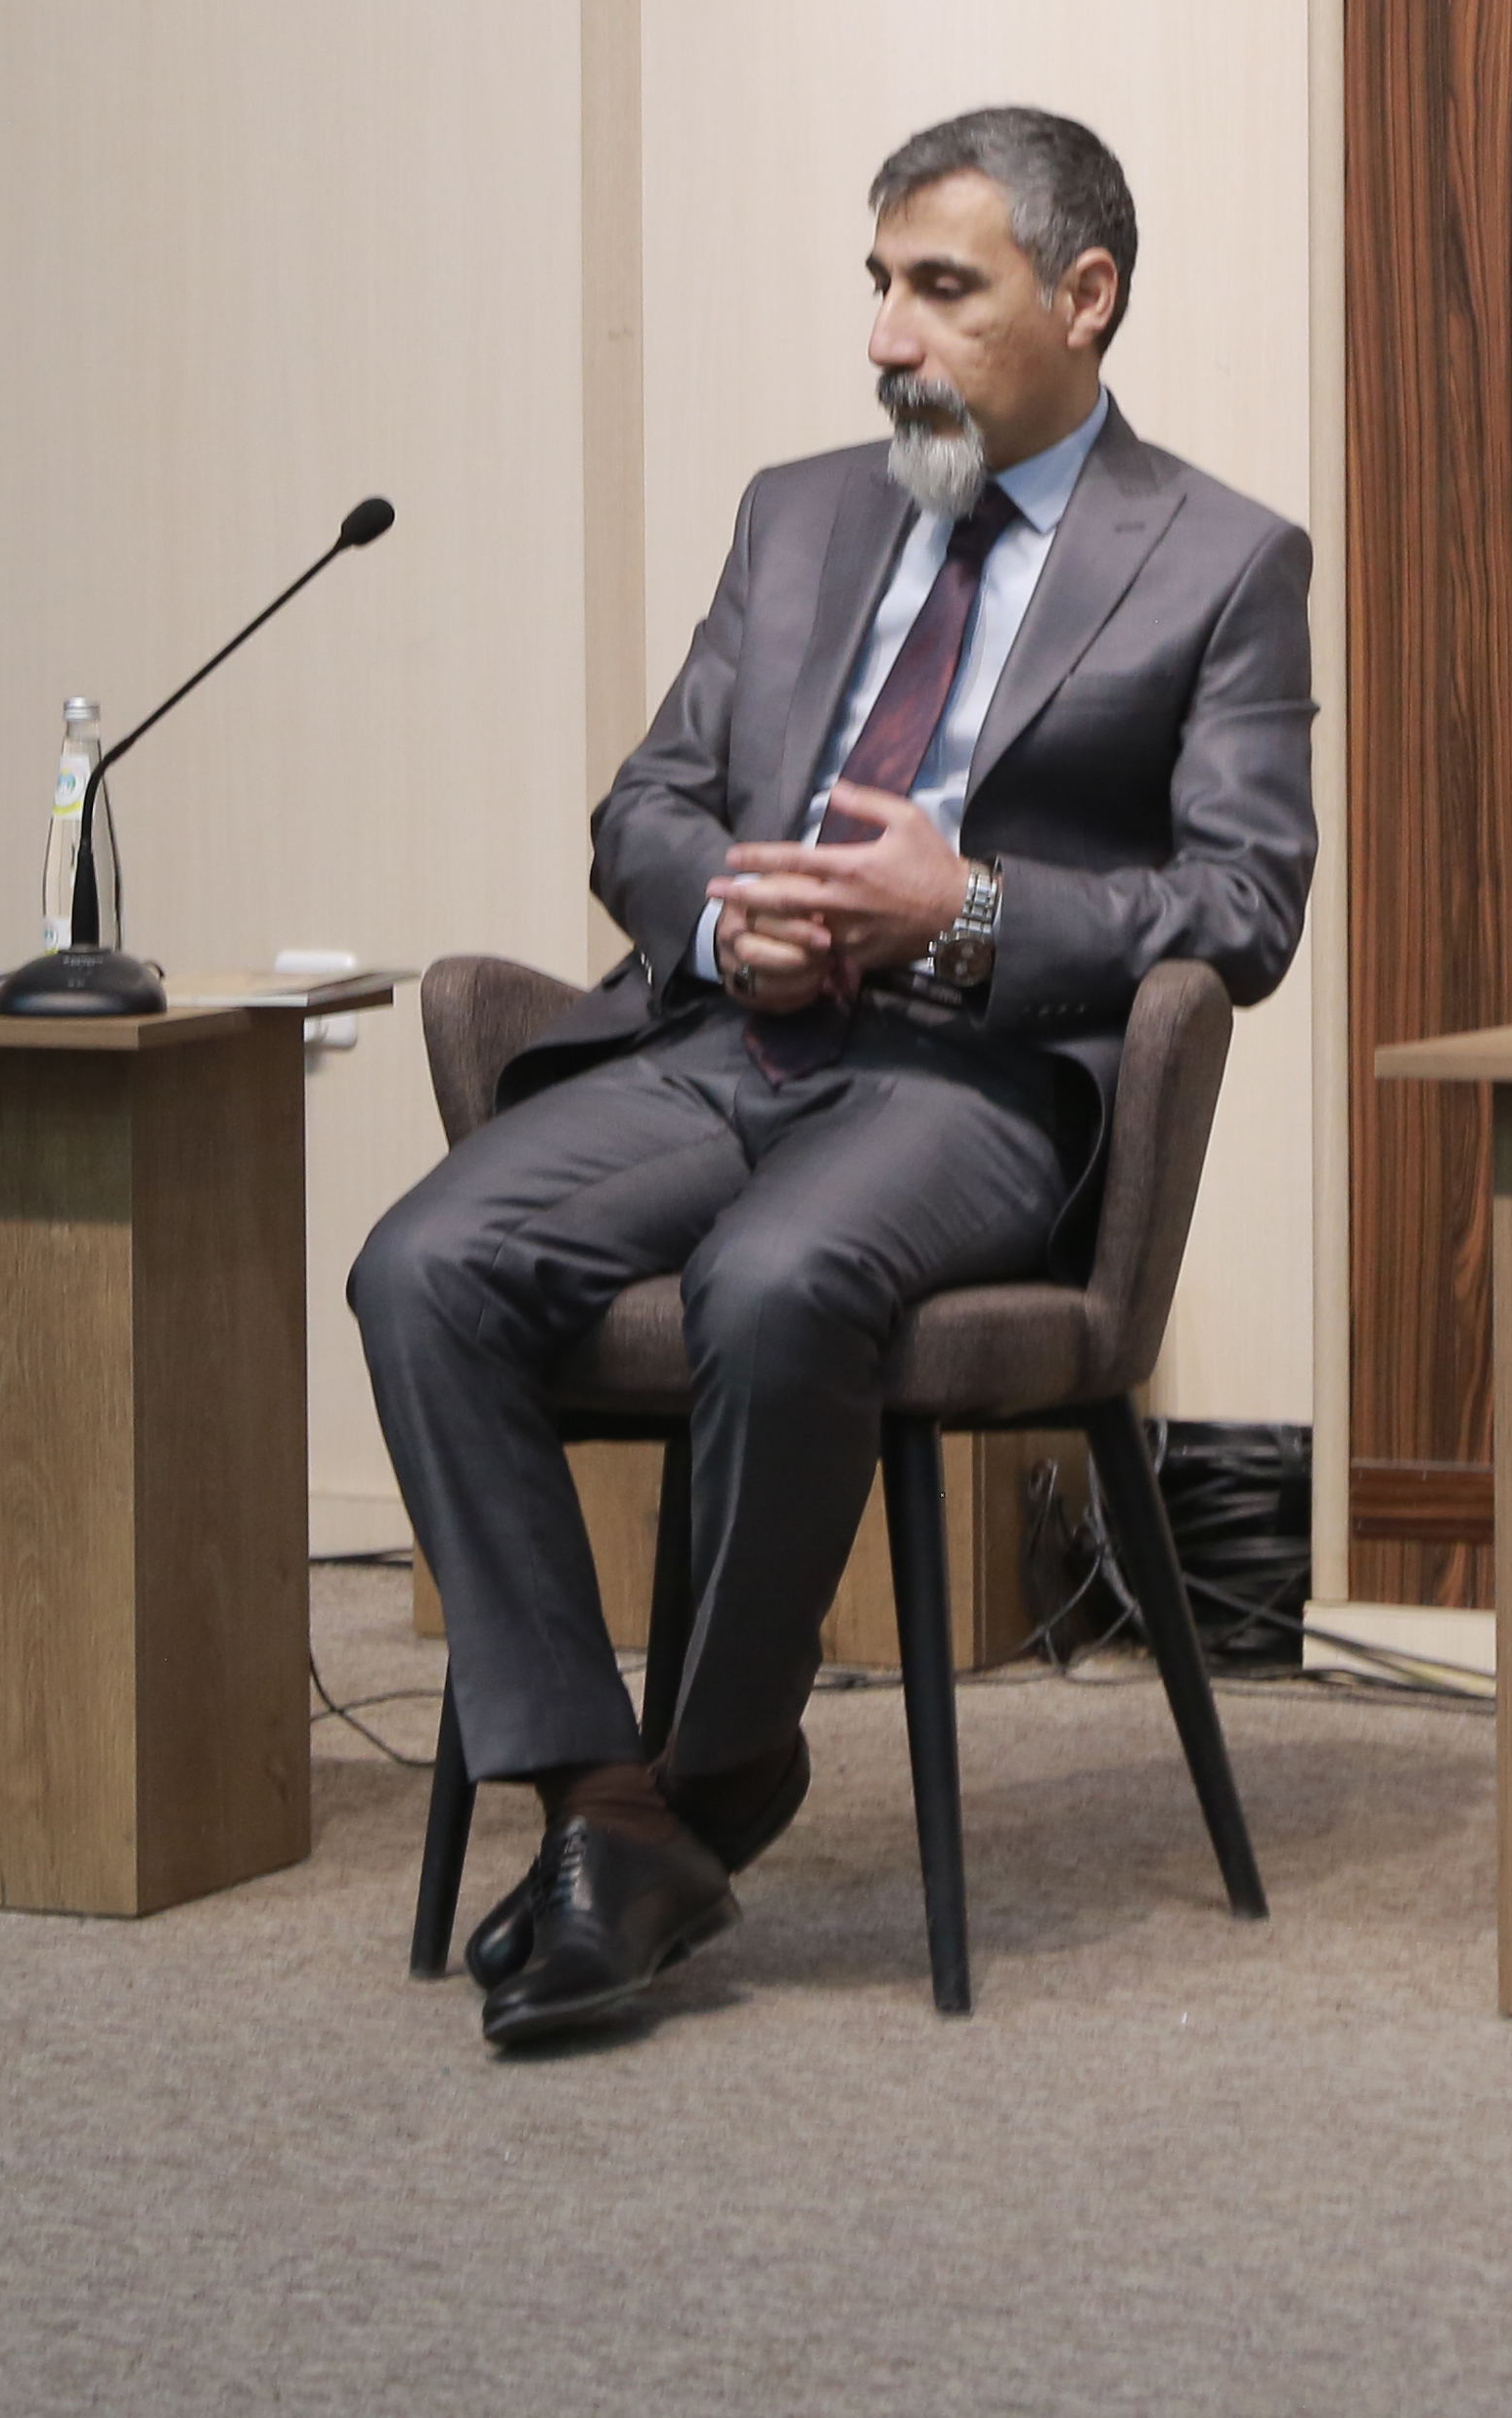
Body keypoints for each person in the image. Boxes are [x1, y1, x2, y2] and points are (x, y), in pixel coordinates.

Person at [356, 106, 1315, 2049]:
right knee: (422, 1267)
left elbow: (1247, 898)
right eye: (876, 286)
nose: (889, 338)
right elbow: (647, 801)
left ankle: (714, 1761)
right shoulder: (800, 515)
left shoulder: (1218, 563)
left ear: (1085, 298)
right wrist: (719, 914)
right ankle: (611, 1805)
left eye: (940, 290)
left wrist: (957, 915)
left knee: (782, 1282)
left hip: (971, 1083)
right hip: (720, 1036)